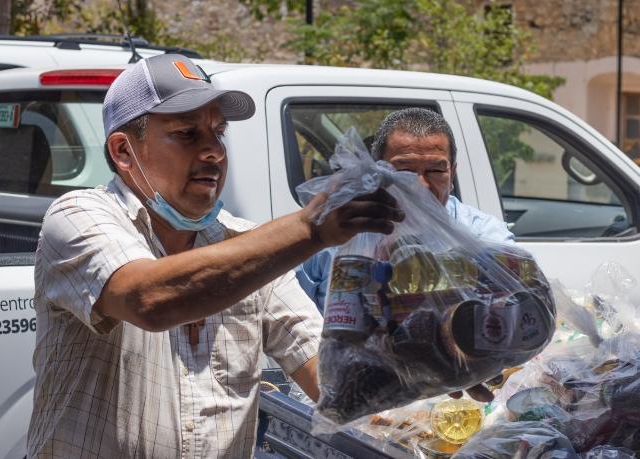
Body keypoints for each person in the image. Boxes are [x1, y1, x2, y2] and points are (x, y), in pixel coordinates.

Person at [26, 54, 404, 458]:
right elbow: (148, 300)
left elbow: (329, 377)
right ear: (123, 151)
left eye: (218, 133)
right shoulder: (77, 217)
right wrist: (310, 228)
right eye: (188, 134)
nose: (213, 152)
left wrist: (437, 356)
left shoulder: (248, 248)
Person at [296, 107, 515, 311]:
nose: (420, 186)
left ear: (452, 174)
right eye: (404, 170)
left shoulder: (482, 236)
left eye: (435, 171)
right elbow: (289, 316)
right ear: (376, 170)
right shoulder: (337, 233)